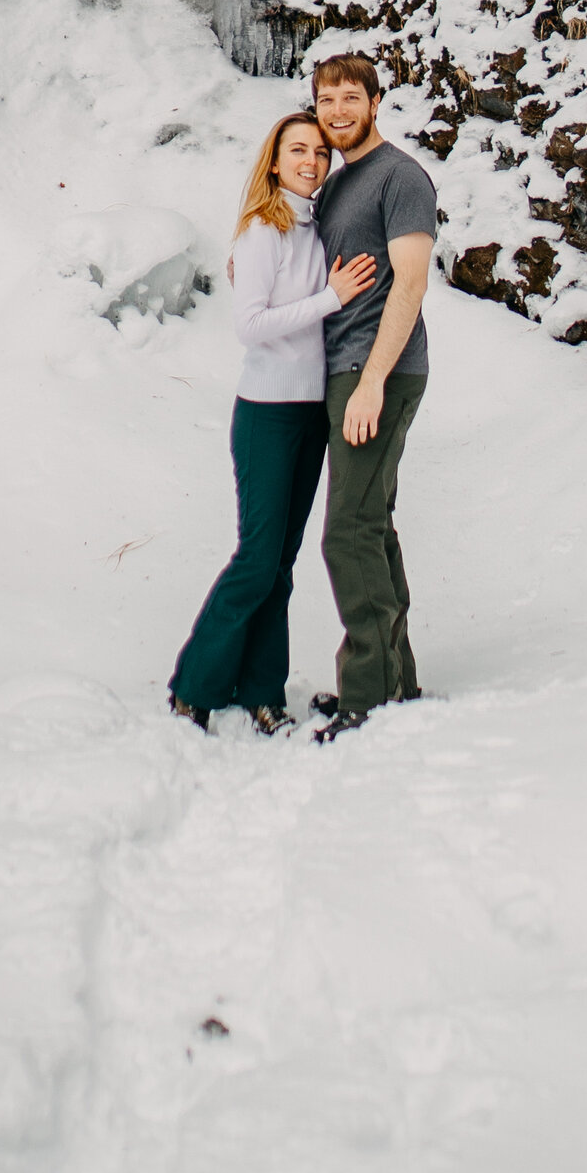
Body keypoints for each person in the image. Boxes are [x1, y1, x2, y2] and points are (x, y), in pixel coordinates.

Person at [168, 112, 377, 732]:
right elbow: (250, 326)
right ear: (275, 161)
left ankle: (261, 690)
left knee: (281, 563)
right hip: (265, 413)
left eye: (319, 152)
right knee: (258, 559)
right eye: (297, 150)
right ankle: (194, 685)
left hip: (310, 415)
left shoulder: (314, 230)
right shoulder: (264, 230)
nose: (311, 160)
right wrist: (331, 298)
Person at [309, 53, 439, 735]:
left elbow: (409, 286)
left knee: (347, 532)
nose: (336, 111)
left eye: (349, 97)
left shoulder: (400, 177)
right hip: (344, 372)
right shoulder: (336, 186)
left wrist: (371, 383)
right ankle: (395, 680)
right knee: (372, 524)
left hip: (379, 373)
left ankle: (368, 697)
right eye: (326, 99)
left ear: (376, 101)